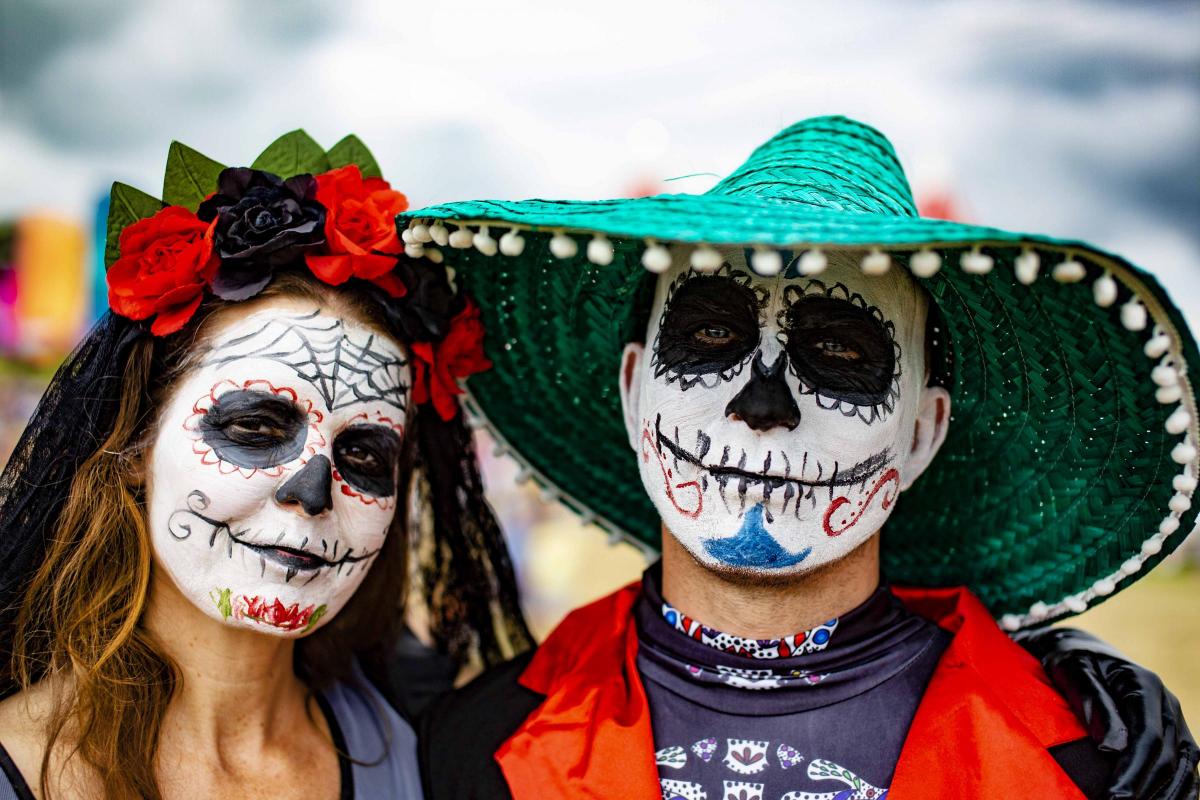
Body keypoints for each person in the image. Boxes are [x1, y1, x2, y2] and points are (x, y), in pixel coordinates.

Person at [404, 116, 1200, 799]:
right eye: (711, 335)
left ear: (922, 431)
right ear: (632, 390)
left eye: (838, 352)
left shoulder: (1093, 762)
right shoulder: (472, 749)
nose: (763, 406)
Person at [0, 132, 530, 799]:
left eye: (365, 455)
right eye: (254, 427)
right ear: (135, 446)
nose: (312, 493)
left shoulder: (429, 759)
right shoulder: (17, 766)